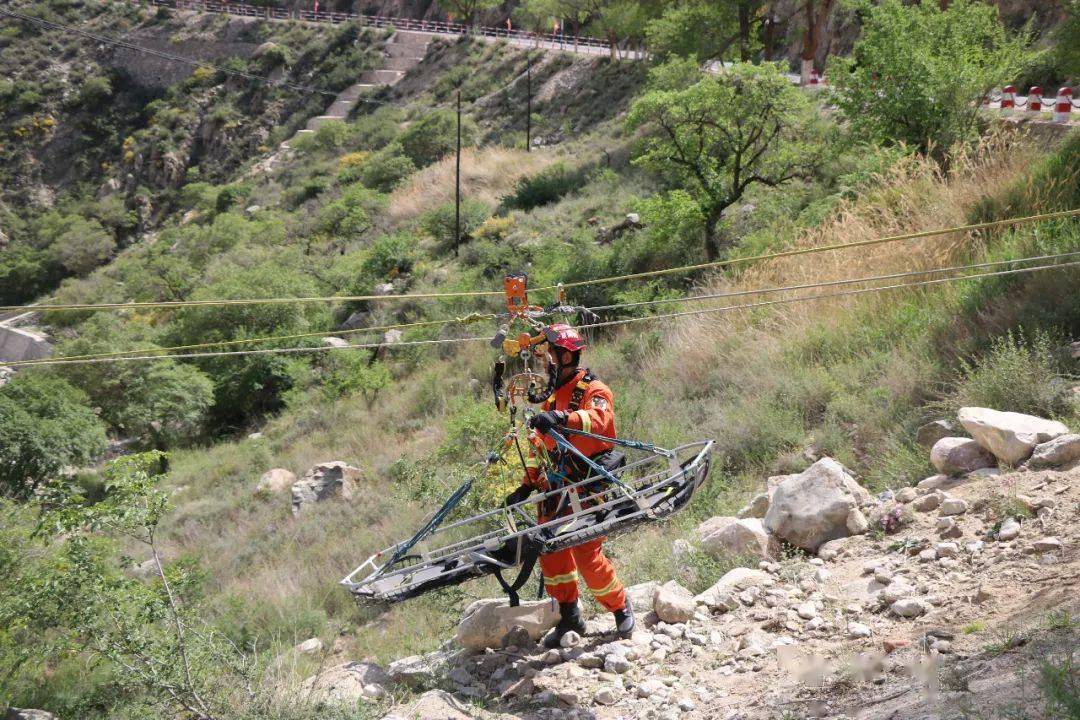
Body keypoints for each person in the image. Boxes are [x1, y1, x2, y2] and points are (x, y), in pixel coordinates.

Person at [504, 323, 635, 648]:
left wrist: (565, 419)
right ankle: (569, 615)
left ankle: (619, 607)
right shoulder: (549, 402)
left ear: (562, 356)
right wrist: (526, 484)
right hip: (555, 492)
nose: (543, 364)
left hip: (587, 486)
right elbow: (538, 445)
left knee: (586, 555)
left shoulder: (594, 390)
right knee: (551, 555)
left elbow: (602, 422)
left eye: (547, 356)